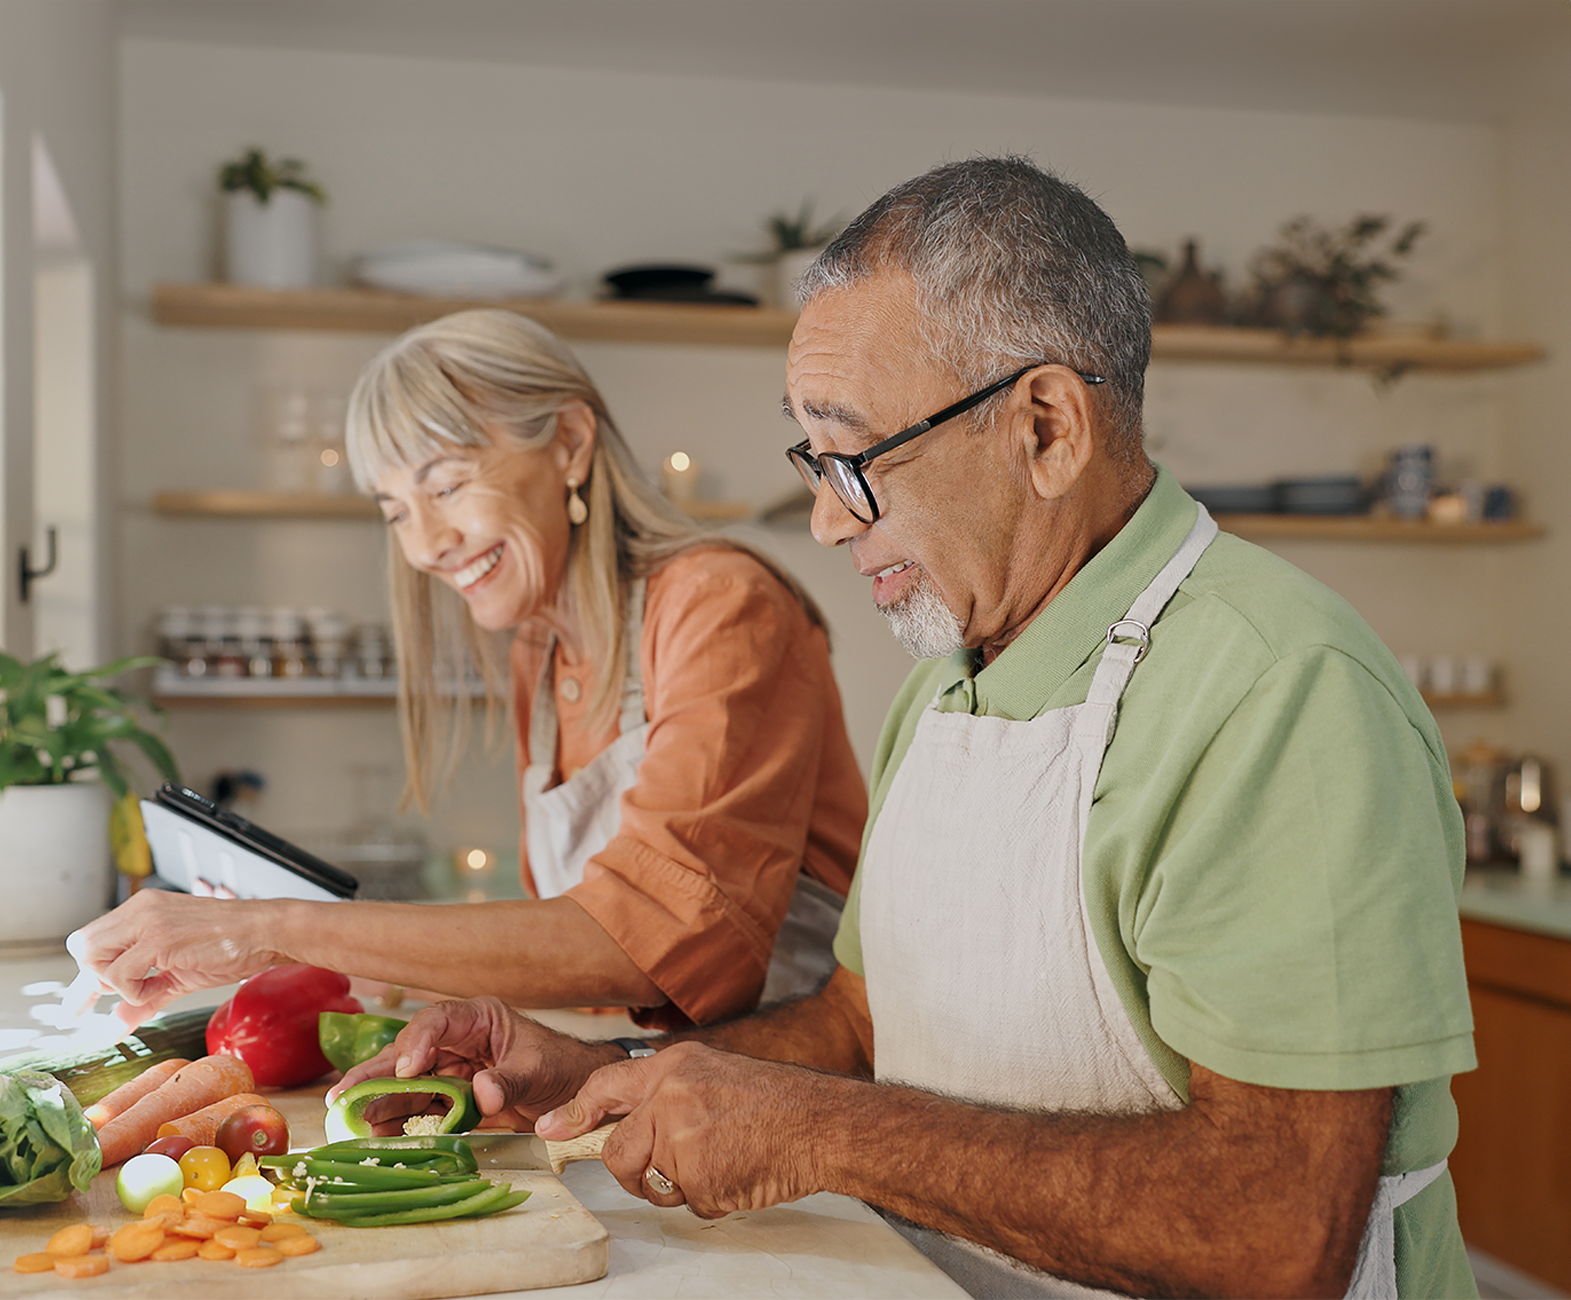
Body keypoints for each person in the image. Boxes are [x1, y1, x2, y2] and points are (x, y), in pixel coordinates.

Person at [335, 159, 1477, 1299]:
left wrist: (822, 1133)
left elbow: (1271, 1231)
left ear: (1044, 427)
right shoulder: (943, 687)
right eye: (812, 460)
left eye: (855, 458)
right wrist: (608, 1071)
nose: (828, 520)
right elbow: (855, 1023)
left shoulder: (1280, 693)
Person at [75, 309, 864, 1031]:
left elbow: (646, 939)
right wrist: (280, 949)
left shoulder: (723, 604)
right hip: (658, 1084)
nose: (422, 547)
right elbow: (578, 960)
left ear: (569, 443)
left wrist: (272, 927)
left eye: (447, 485)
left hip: (792, 1103)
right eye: (394, 511)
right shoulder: (540, 646)